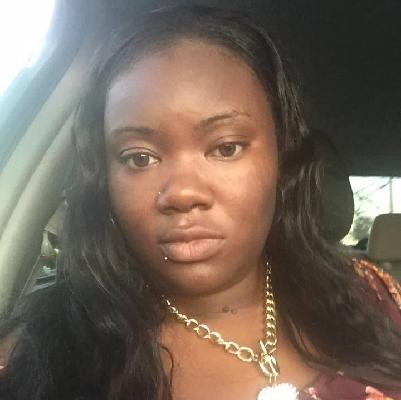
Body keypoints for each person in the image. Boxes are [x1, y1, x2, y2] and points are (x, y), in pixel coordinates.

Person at [0, 5, 400, 400]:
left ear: (281, 158)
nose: (181, 194)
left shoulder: (369, 297)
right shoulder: (49, 359)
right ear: (104, 181)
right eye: (140, 158)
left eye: (226, 148)